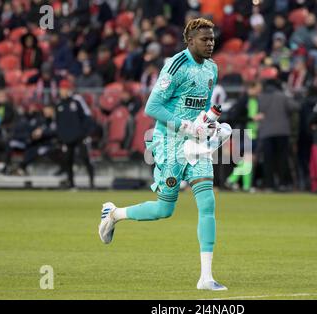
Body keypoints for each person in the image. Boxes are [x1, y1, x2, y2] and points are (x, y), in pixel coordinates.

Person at [98, 18, 227, 291]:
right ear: (189, 41)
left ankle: (206, 277)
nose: (210, 43)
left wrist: (210, 125)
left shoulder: (212, 69)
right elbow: (152, 107)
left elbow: (203, 108)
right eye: (205, 39)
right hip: (169, 142)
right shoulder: (176, 65)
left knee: (207, 203)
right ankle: (114, 214)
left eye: (212, 38)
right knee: (164, 209)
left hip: (194, 144)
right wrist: (184, 125)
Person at [55, 79, 94, 189]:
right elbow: (58, 122)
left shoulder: (77, 101)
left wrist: (85, 133)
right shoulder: (59, 105)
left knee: (85, 158)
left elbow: (87, 116)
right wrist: (61, 137)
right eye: (61, 89)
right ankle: (71, 184)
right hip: (67, 138)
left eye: (65, 89)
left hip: (80, 136)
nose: (63, 91)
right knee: (68, 160)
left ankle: (92, 183)